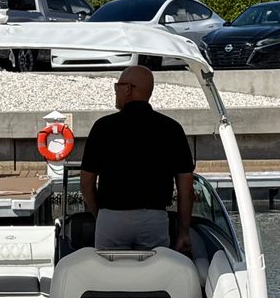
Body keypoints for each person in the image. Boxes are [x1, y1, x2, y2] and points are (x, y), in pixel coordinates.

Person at [79, 65, 195, 253]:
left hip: (112, 219)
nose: (115, 91)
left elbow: (86, 183)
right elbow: (186, 189)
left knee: (109, 270)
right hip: (154, 219)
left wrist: (101, 215)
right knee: (153, 270)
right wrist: (183, 232)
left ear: (128, 89)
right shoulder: (172, 129)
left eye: (117, 86)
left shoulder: (103, 127)